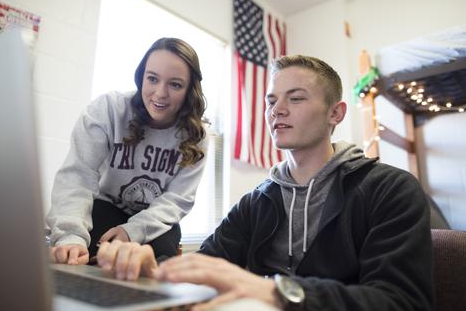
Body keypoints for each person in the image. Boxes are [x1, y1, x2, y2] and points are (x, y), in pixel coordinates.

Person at [95, 55, 433, 311]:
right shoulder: (256, 201)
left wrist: (277, 292)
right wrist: (154, 268)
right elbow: (208, 263)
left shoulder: (391, 190)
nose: (276, 111)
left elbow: (402, 301)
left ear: (336, 113)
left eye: (296, 98)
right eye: (272, 101)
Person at [46, 37, 208, 266]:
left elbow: (177, 200)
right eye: (152, 79)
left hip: (155, 220)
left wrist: (133, 230)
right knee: (82, 257)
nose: (160, 93)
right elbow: (78, 175)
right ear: (141, 77)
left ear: (189, 89)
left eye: (175, 84)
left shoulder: (196, 136)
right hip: (104, 208)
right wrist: (70, 236)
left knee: (155, 265)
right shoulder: (108, 109)